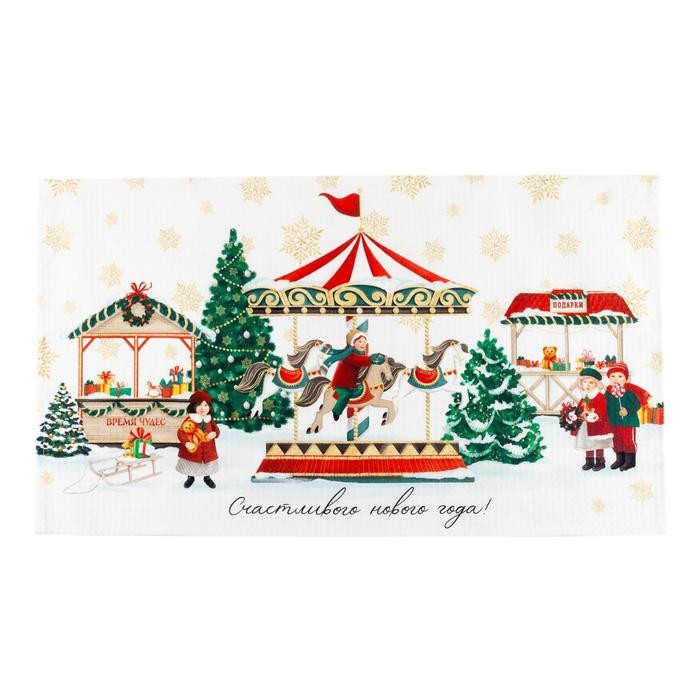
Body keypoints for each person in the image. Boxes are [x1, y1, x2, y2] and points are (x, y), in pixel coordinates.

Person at [323, 328, 385, 421]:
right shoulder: (349, 355)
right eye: (360, 342)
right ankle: (336, 411)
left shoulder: (360, 353)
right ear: (353, 343)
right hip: (341, 384)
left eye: (364, 342)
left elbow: (363, 361)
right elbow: (359, 360)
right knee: (346, 394)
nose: (363, 344)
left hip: (351, 383)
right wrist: (371, 359)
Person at [604, 362, 652, 472]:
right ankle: (620, 459)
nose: (616, 379)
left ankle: (630, 461)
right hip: (614, 421)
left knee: (628, 440)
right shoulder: (608, 392)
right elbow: (604, 404)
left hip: (628, 421)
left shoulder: (629, 391)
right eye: (613, 376)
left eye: (620, 376)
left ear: (626, 378)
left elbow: (637, 404)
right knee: (616, 440)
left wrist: (628, 410)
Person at [176, 390, 221, 488]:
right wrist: (186, 442)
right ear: (194, 407)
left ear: (209, 407)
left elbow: (217, 430)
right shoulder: (190, 420)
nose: (203, 408)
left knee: (207, 464)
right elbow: (180, 432)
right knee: (191, 464)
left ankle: (207, 477)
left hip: (208, 449)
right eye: (199, 405)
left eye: (205, 405)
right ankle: (190, 477)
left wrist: (214, 433)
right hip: (193, 449)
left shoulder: (209, 419)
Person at [574, 368, 613, 471]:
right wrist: (576, 414)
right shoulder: (584, 396)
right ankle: (589, 461)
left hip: (597, 425)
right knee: (588, 443)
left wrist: (595, 415)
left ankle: (600, 462)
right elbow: (580, 408)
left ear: (596, 384)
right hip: (585, 425)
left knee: (597, 443)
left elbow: (602, 409)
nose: (587, 385)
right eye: (585, 382)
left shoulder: (599, 396)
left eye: (591, 382)